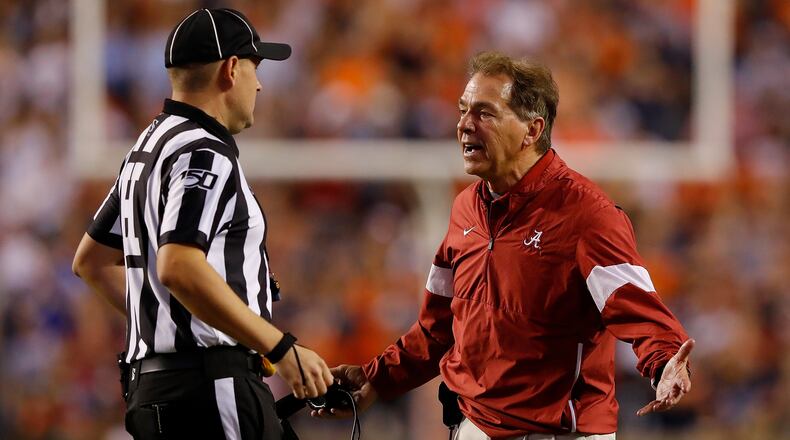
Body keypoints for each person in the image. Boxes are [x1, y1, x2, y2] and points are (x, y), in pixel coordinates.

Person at [322, 51, 694, 440]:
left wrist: (665, 361)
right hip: (473, 428)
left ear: (532, 131)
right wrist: (374, 379)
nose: (465, 125)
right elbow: (437, 329)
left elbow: (639, 307)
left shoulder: (587, 214)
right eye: (463, 110)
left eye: (484, 113)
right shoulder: (465, 207)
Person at [72, 8, 333, 439]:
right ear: (231, 69)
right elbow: (177, 265)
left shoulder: (147, 146)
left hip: (152, 390)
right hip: (212, 389)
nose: (260, 83)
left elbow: (91, 260)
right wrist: (278, 346)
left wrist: (177, 325)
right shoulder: (204, 151)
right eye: (255, 67)